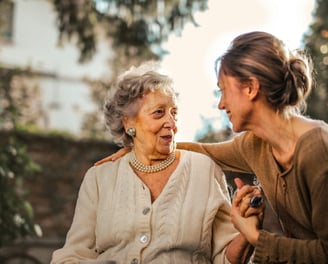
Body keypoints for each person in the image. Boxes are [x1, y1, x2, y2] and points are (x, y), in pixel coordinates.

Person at [96, 31, 328, 263]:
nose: (221, 104)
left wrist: (254, 236)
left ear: (250, 88)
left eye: (223, 90)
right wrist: (141, 146)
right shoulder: (255, 145)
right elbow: (204, 151)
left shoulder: (318, 149)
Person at [51, 63, 261, 264]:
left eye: (174, 113)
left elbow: (225, 258)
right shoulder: (99, 178)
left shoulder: (203, 170)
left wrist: (246, 232)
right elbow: (74, 253)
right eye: (159, 112)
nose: (171, 123)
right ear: (128, 122)